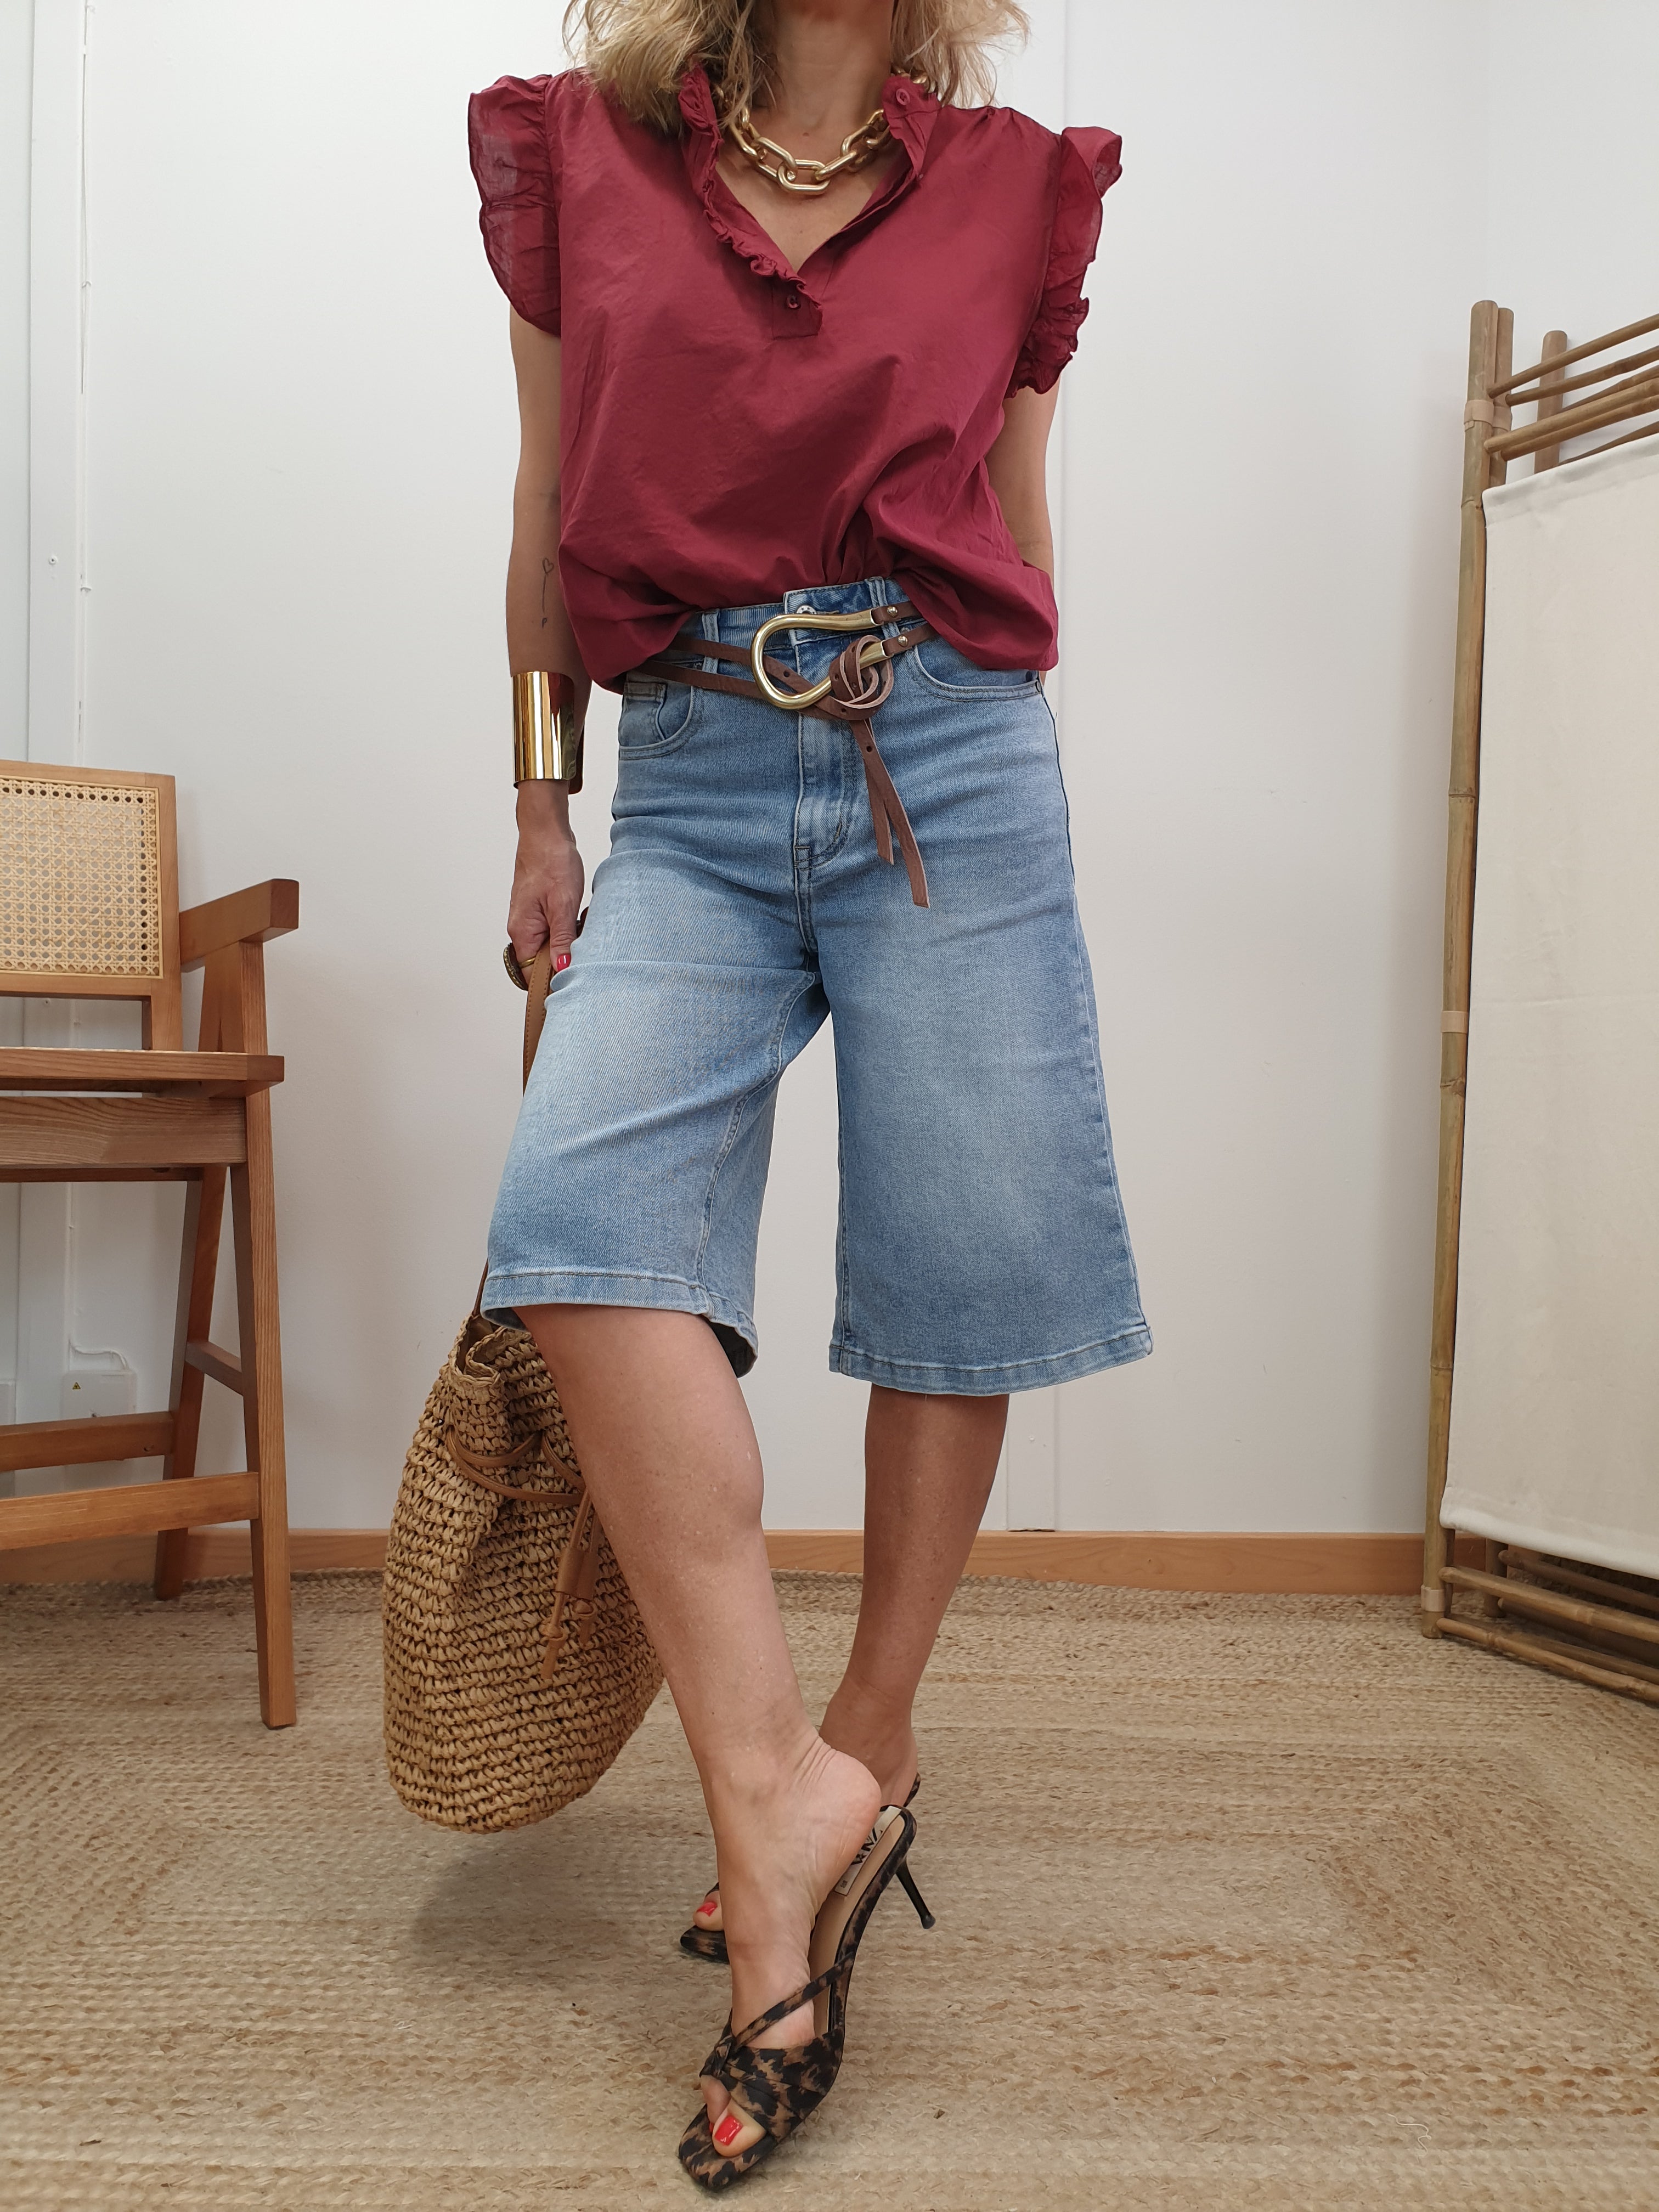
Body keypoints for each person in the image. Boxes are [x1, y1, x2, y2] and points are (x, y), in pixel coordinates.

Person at [470, 0, 1149, 2185]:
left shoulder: (1022, 187)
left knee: (965, 1253)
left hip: (949, 749)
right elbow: (544, 491)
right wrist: (540, 799)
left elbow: (1019, 510)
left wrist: (1012, 756)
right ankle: (778, 1793)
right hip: (680, 763)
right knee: (578, 1233)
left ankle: (858, 1750)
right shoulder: (581, 152)